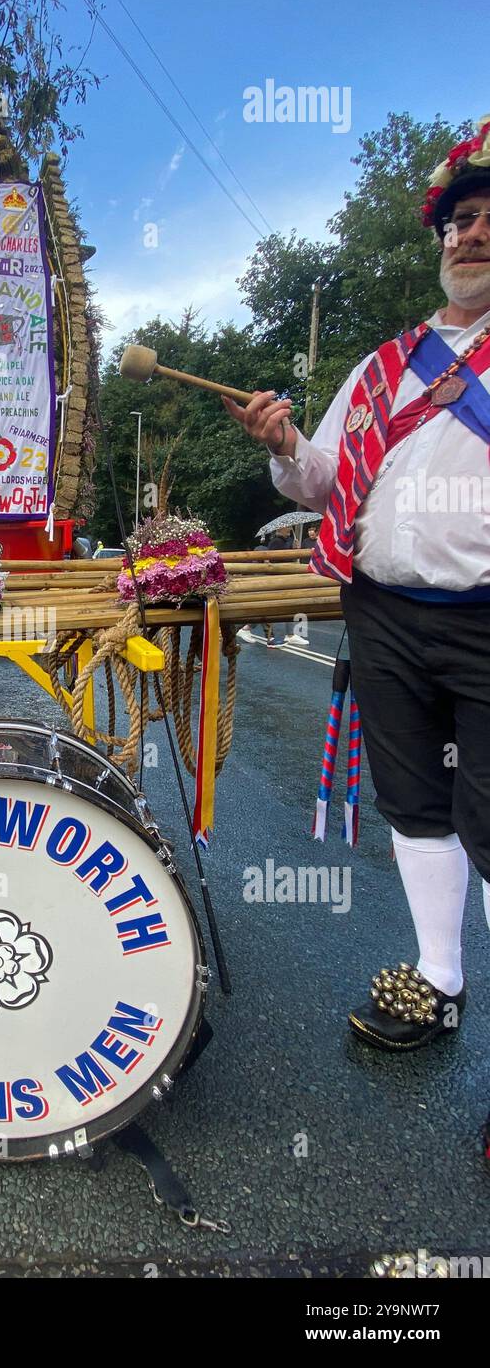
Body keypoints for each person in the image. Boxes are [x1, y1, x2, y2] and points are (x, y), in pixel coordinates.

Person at [222, 113, 490, 1160]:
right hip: (383, 611)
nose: (470, 236)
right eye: (459, 222)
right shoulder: (384, 366)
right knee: (416, 801)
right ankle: (440, 978)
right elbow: (325, 479)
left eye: (488, 221)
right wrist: (288, 442)